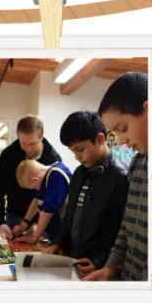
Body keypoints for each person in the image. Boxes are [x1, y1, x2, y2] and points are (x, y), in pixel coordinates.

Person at [46, 111, 130, 279]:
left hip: (99, 269)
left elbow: (127, 231)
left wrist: (101, 261)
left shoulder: (121, 176)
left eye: (80, 149)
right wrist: (59, 242)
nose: (77, 157)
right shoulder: (78, 173)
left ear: (100, 139)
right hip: (73, 262)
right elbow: (69, 216)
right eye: (72, 151)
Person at [84, 72, 149, 282]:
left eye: (123, 129)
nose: (120, 141)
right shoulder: (137, 163)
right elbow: (128, 223)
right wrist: (111, 267)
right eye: (115, 133)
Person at [0, 116, 62, 240]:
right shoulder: (9, 155)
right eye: (23, 143)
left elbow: (47, 198)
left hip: (44, 214)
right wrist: (0, 221)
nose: (28, 149)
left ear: (41, 138)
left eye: (33, 144)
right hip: (15, 212)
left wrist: (37, 223)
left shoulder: (53, 160)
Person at [12, 158, 70, 245]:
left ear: (35, 179)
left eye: (33, 188)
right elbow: (37, 200)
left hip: (66, 235)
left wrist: (33, 238)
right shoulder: (44, 174)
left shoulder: (56, 176)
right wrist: (25, 223)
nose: (36, 190)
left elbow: (47, 211)